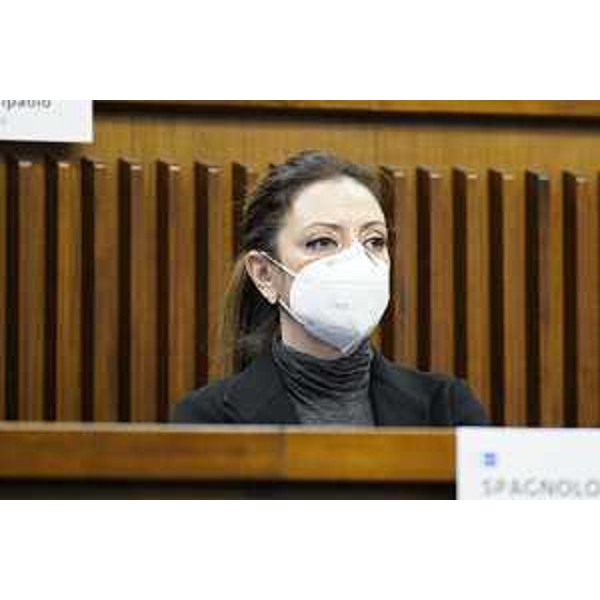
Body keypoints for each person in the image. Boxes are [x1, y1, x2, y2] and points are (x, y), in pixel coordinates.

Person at [171, 150, 488, 426]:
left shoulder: (447, 409)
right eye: (322, 242)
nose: (355, 261)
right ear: (265, 274)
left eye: (374, 241)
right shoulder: (207, 419)